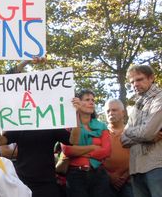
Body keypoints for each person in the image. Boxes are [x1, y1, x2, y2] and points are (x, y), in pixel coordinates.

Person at [0, 101, 80, 197]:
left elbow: (74, 141)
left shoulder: (51, 125)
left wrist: (76, 115)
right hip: (22, 181)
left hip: (47, 183)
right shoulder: (20, 124)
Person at [121, 65, 162, 197]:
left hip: (156, 165)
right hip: (135, 168)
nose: (135, 84)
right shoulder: (136, 105)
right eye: (132, 82)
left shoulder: (159, 98)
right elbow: (123, 139)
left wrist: (130, 132)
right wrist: (133, 133)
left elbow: (147, 133)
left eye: (139, 79)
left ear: (151, 78)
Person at [62, 89, 111, 197]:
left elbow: (106, 151)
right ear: (78, 102)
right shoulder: (68, 124)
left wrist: (79, 151)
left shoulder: (102, 126)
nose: (91, 102)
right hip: (76, 176)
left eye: (93, 100)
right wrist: (93, 147)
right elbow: (67, 150)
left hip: (99, 175)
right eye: (87, 99)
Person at [103, 99, 132, 197]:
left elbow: (138, 155)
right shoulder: (100, 132)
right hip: (105, 182)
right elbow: (95, 157)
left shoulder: (132, 132)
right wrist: (109, 176)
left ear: (123, 112)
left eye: (114, 110)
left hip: (129, 181)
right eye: (108, 111)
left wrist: (124, 176)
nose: (110, 113)